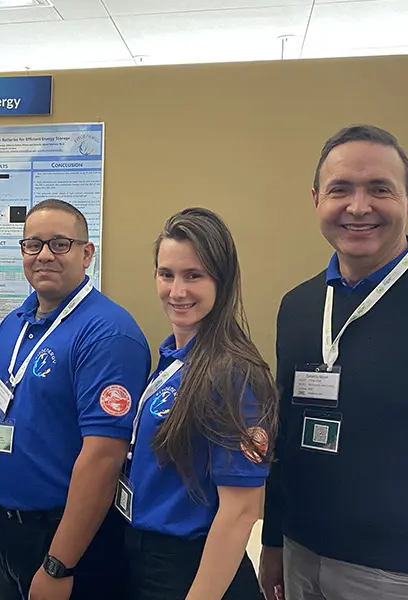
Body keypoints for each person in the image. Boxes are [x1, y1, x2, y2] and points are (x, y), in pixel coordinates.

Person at [260, 124, 408, 600]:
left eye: (379, 189)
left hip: (407, 572)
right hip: (303, 554)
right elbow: (286, 433)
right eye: (341, 189)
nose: (358, 207)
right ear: (317, 199)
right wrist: (273, 541)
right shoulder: (298, 307)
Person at [0, 198, 151, 600]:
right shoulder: (13, 325)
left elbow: (104, 457)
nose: (44, 256)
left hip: (67, 541)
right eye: (33, 244)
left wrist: (60, 563)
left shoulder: (108, 333)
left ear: (87, 253)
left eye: (60, 243)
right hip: (10, 529)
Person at [121, 207, 276, 600]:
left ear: (221, 282)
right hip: (148, 557)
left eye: (194, 276)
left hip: (193, 569)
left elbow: (241, 512)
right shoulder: (175, 358)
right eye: (166, 274)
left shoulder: (232, 372)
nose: (177, 291)